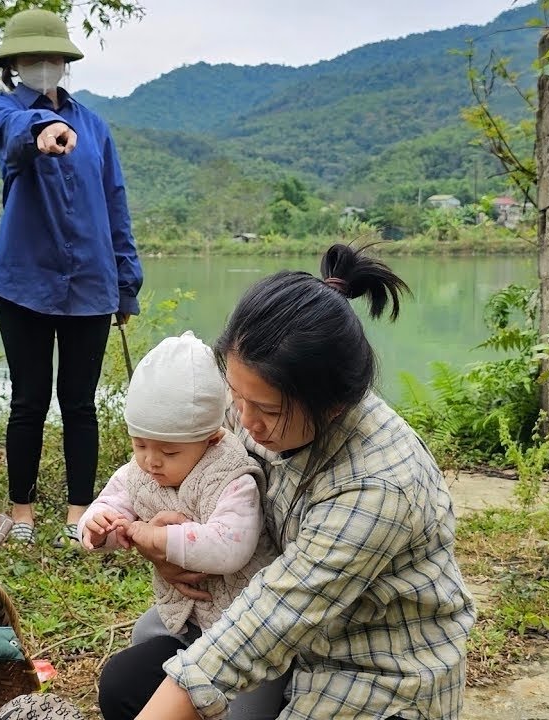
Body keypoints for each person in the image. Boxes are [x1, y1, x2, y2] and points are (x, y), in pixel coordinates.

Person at [98, 244, 476, 720]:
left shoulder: (378, 482)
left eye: (268, 411)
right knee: (126, 685)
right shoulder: (253, 409)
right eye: (237, 397)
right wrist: (174, 546)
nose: (243, 421)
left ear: (333, 405)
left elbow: (276, 615)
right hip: (268, 626)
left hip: (368, 669)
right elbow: (203, 491)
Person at [0, 8, 142, 548]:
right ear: (13, 64)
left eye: (51, 58)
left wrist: (125, 283)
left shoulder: (95, 126)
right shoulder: (2, 110)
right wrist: (44, 129)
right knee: (28, 400)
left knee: (79, 402)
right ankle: (22, 514)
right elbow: (12, 132)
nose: (43, 66)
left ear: (65, 63)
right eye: (32, 58)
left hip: (92, 284)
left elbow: (114, 204)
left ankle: (79, 514)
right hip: (23, 282)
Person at [78, 331, 288, 717]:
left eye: (168, 451)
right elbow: (111, 505)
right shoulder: (139, 472)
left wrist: (156, 537)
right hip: (191, 612)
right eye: (140, 445)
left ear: (210, 439)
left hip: (246, 624)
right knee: (144, 636)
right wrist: (97, 526)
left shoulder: (231, 478)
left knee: (247, 707)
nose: (151, 461)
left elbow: (228, 548)